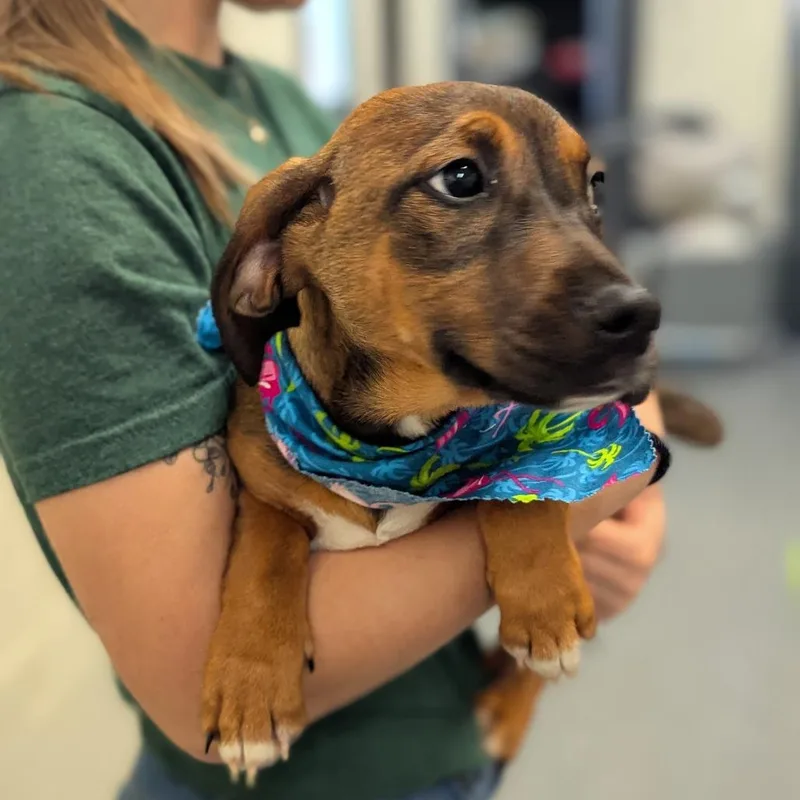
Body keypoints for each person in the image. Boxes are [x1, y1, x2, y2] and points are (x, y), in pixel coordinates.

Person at [0, 1, 667, 798]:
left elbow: (573, 411)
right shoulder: (50, 155)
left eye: (587, 188)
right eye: (461, 180)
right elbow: (193, 683)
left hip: (450, 725)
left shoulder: (275, 94)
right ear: (261, 273)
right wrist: (598, 480)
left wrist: (612, 442)